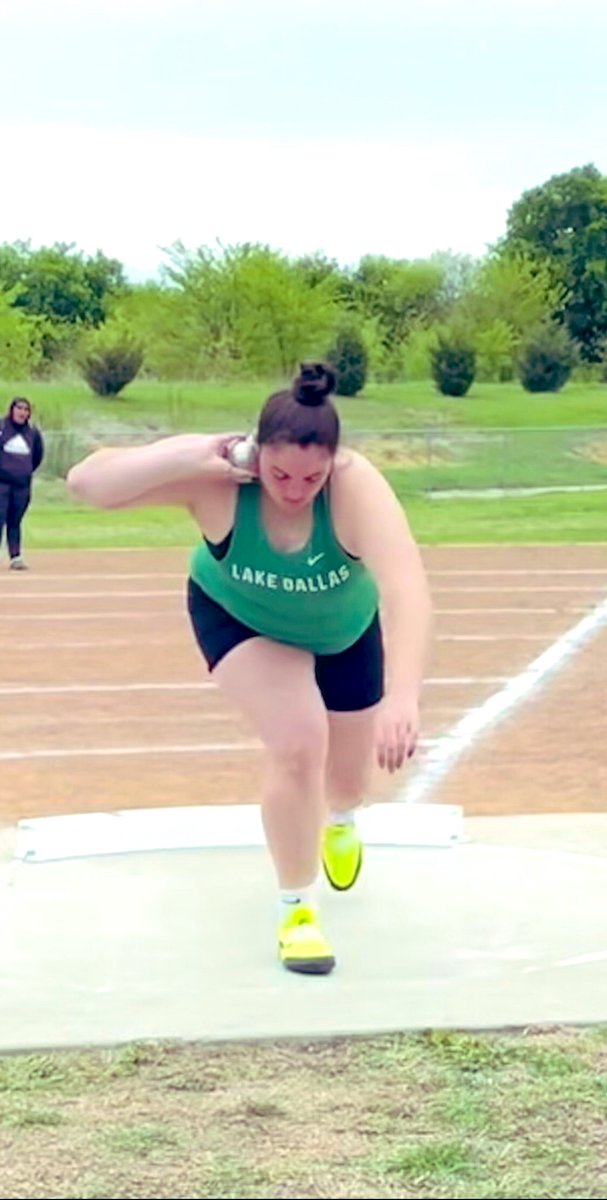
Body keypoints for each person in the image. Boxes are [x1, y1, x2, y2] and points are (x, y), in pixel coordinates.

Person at [67, 364, 432, 975]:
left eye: (312, 477)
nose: (294, 489)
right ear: (255, 454)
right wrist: (192, 455)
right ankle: (298, 911)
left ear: (334, 463)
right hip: (242, 619)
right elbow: (87, 485)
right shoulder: (220, 484)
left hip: (343, 630)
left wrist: (405, 696)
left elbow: (407, 587)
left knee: (347, 782)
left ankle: (340, 818)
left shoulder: (354, 487)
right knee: (297, 742)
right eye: (280, 473)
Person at [0, 397, 45, 570]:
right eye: (19, 408)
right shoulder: (2, 428)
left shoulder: (32, 432)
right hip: (2, 484)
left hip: (22, 485)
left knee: (15, 520)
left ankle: (15, 556)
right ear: (12, 410)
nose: (22, 413)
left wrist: (24, 472)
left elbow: (37, 456)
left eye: (26, 410)